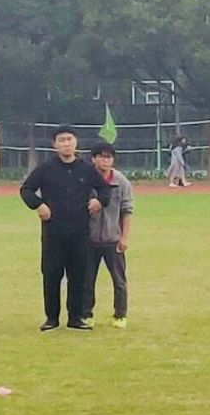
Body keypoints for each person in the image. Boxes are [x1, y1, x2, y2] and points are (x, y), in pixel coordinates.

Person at [19, 126, 112, 330]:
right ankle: (51, 318)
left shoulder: (86, 169)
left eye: (69, 139)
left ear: (76, 142)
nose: (66, 143)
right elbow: (26, 190)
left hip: (80, 232)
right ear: (55, 144)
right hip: (53, 232)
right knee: (51, 275)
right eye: (61, 140)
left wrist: (99, 201)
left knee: (78, 275)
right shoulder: (46, 168)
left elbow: (105, 189)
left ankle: (75, 318)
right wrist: (39, 205)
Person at [84, 142, 134, 329]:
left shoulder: (121, 182)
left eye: (109, 157)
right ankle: (86, 314)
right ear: (93, 159)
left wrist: (124, 237)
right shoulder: (85, 179)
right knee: (87, 280)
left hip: (113, 239)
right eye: (101, 157)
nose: (105, 160)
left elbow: (127, 210)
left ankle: (120, 314)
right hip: (89, 240)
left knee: (119, 280)